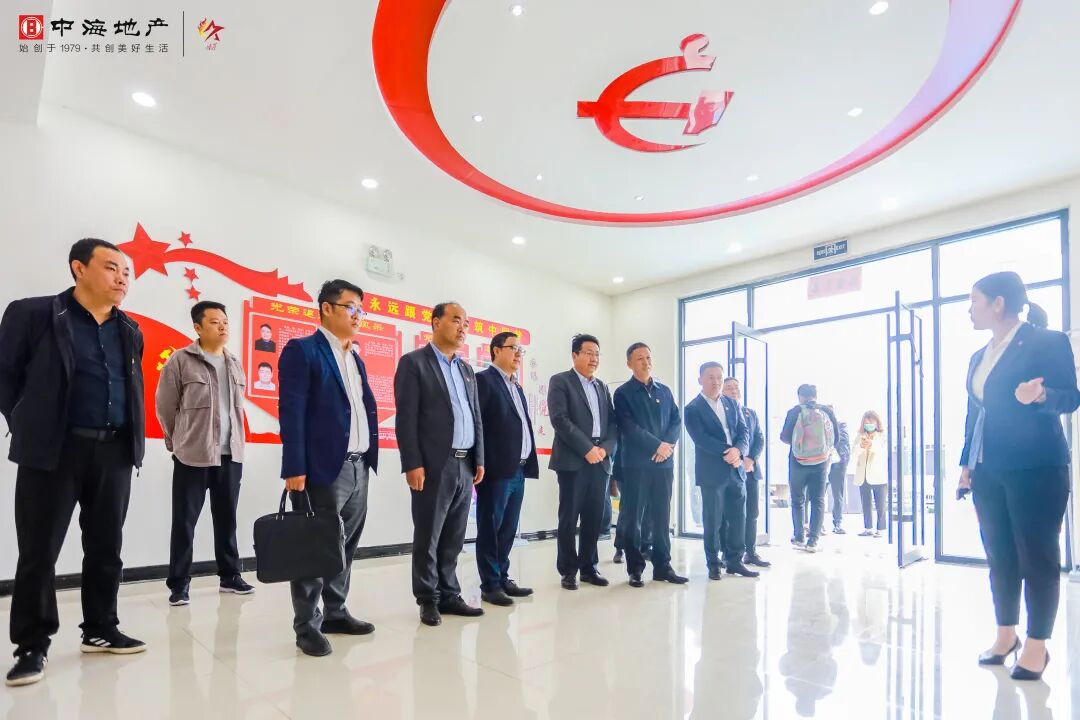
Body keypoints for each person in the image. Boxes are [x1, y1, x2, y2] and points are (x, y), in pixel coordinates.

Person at [1, 239, 147, 688]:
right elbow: (5, 376)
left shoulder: (130, 329)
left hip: (114, 450)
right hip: (53, 450)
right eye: (112, 267)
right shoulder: (34, 314)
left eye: (126, 271)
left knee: (106, 547)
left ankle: (100, 628)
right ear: (79, 268)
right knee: (39, 550)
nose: (122, 277)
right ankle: (32, 644)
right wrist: (26, 421)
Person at [958, 271, 1079, 681]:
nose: (969, 310)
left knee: (1037, 555)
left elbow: (1071, 397)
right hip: (988, 469)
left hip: (1037, 467)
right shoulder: (978, 357)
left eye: (974, 301)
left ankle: (1036, 645)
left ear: (998, 303)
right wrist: (966, 465)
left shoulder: (1047, 341)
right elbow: (975, 415)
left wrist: (1041, 395)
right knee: (1000, 555)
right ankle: (1005, 635)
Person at [279, 279, 380, 657]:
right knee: (313, 547)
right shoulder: (303, 351)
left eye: (361, 310)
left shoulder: (355, 358)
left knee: (345, 546)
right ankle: (307, 625)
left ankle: (336, 612)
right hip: (322, 468)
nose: (358, 316)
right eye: (351, 307)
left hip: (358, 466)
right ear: (326, 308)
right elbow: (291, 412)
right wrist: (294, 467)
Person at [156, 301, 253, 607]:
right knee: (184, 522)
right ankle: (179, 584)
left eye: (225, 321)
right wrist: (177, 441)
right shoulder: (180, 361)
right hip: (192, 455)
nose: (223, 326)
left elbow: (236, 411)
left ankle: (230, 576)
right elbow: (165, 406)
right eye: (214, 322)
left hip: (230, 455)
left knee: (227, 519)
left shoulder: (234, 363)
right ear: (198, 327)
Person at [394, 302, 485, 626]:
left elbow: (475, 416)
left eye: (466, 323)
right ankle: (428, 599)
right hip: (434, 465)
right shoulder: (414, 363)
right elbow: (406, 419)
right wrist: (412, 463)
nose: (463, 328)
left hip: (465, 464)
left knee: (454, 537)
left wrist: (479, 458)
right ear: (435, 323)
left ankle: (449, 594)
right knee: (429, 536)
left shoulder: (466, 370)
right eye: (456, 320)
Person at [613, 342, 687, 587]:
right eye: (640, 358)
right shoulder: (623, 393)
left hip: (664, 465)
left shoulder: (664, 391)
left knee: (661, 517)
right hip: (636, 466)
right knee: (633, 518)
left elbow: (676, 420)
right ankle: (635, 569)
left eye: (648, 357)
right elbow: (629, 427)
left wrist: (667, 445)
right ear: (629, 364)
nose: (646, 362)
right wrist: (657, 446)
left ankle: (663, 566)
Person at [548, 334, 618, 590]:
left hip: (600, 460)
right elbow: (560, 419)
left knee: (594, 517)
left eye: (597, 354)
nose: (594, 358)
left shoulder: (602, 387)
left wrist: (604, 449)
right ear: (575, 355)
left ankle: (589, 567)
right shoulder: (560, 381)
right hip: (573, 460)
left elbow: (613, 424)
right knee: (569, 518)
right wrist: (587, 448)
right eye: (588, 353)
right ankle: (568, 570)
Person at [474, 331, 538, 606]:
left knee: (508, 528)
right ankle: (490, 585)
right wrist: (480, 462)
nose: (519, 354)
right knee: (491, 527)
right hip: (496, 470)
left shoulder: (516, 386)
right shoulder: (484, 381)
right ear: (496, 350)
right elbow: (478, 425)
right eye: (514, 348)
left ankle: (502, 577)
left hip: (518, 469)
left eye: (521, 350)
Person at [684, 362, 757, 581]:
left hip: (736, 470)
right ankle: (713, 564)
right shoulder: (693, 408)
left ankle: (735, 561)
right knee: (713, 521)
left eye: (719, 377)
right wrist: (729, 452)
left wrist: (739, 451)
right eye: (710, 377)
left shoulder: (731, 403)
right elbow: (701, 439)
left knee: (738, 519)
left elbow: (744, 432)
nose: (715, 382)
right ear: (700, 380)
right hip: (712, 472)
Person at [779, 384, 839, 553]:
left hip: (797, 461)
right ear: (815, 395)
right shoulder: (827, 411)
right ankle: (813, 540)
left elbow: (784, 437)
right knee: (818, 500)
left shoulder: (794, 411)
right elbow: (836, 438)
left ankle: (799, 536)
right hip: (821, 462)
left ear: (800, 397)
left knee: (797, 499)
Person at [722, 377, 770, 568]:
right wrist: (739, 459)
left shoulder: (750, 413)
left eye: (736, 387)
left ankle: (751, 552)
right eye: (729, 388)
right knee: (729, 515)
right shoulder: (720, 413)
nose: (734, 390)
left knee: (752, 513)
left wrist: (751, 458)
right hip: (731, 471)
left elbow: (759, 438)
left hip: (750, 470)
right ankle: (728, 554)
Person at [853, 411, 887, 538]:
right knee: (866, 503)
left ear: (877, 423)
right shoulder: (860, 435)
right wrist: (861, 446)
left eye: (871, 422)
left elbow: (882, 449)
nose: (869, 425)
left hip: (879, 475)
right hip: (863, 476)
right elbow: (854, 451)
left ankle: (881, 529)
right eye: (866, 423)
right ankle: (868, 528)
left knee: (880, 504)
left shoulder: (882, 435)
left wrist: (871, 444)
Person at [823, 404, 851, 535]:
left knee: (837, 495)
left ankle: (837, 523)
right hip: (822, 464)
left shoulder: (841, 425)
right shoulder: (818, 426)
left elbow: (844, 443)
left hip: (837, 465)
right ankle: (819, 524)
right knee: (819, 496)